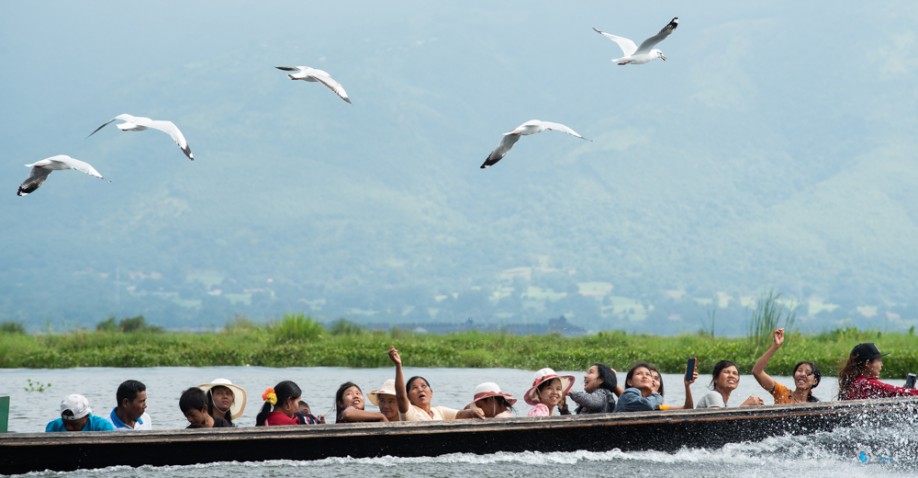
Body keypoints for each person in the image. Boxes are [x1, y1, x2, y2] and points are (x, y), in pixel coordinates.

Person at [389, 346, 483, 420]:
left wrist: (473, 412)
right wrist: (398, 366)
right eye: (414, 388)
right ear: (408, 397)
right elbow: (400, 396)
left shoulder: (439, 411)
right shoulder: (410, 412)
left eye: (424, 386)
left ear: (431, 392)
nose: (420, 390)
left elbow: (460, 414)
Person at [752, 328, 821, 404]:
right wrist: (775, 346)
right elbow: (757, 372)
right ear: (794, 375)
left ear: (815, 381)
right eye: (799, 370)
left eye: (807, 372)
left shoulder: (816, 404)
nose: (802, 374)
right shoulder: (783, 393)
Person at [838, 343, 918, 400]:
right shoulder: (867, 384)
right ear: (867, 363)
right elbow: (896, 392)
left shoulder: (854, 382)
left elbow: (894, 392)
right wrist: (907, 391)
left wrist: (904, 390)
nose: (881, 365)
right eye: (879, 360)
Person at [695, 361, 764, 409]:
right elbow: (719, 422)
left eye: (735, 373)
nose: (731, 376)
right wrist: (744, 406)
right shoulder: (713, 395)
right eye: (726, 372)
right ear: (715, 378)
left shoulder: (724, 404)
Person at [45, 394, 115, 432]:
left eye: (74, 424)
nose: (69, 427)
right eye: (65, 423)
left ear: (86, 416)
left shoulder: (102, 426)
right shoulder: (54, 426)